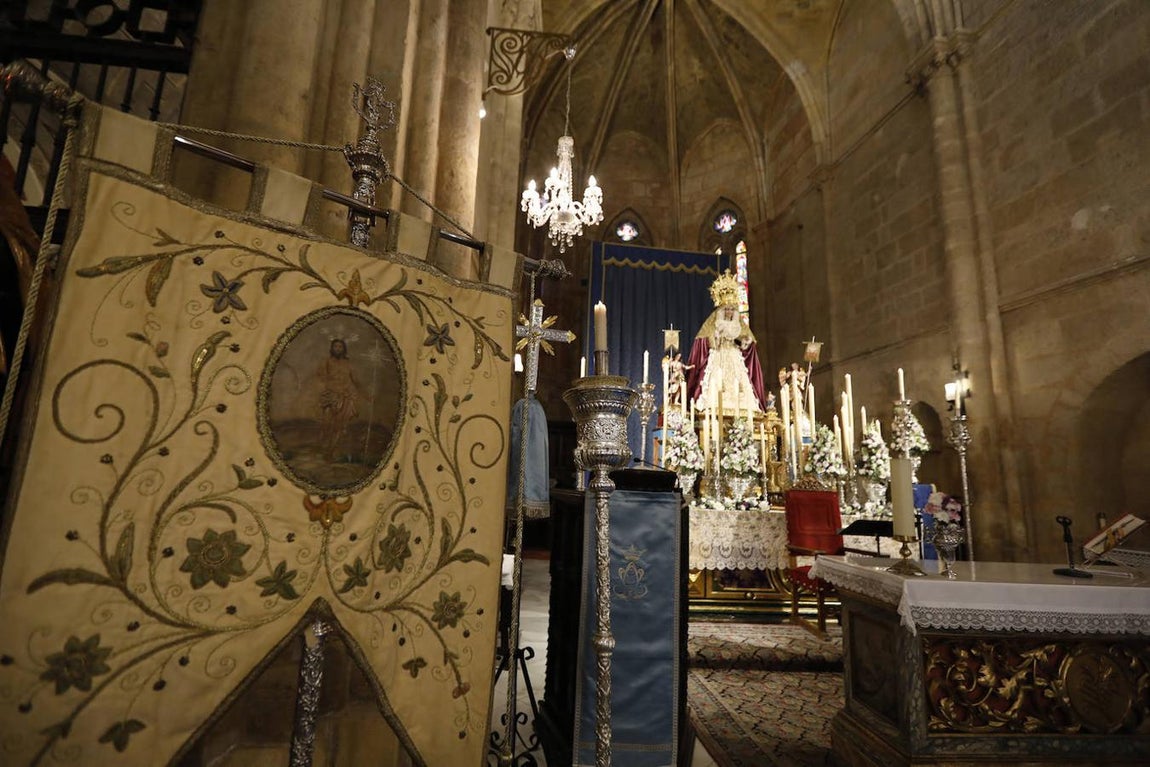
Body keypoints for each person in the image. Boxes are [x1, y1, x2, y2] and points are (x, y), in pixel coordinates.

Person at [686, 270, 767, 411]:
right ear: (722, 310)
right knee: (717, 381)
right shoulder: (714, 322)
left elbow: (747, 341)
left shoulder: (738, 324)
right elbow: (704, 341)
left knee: (740, 382)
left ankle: (743, 406)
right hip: (719, 353)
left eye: (731, 309)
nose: (729, 312)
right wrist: (716, 337)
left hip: (734, 354)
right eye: (726, 309)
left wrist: (745, 342)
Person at [317, 338, 361, 459]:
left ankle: (330, 452)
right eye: (335, 346)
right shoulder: (326, 361)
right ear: (332, 348)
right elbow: (321, 376)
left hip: (345, 397)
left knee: (339, 426)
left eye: (340, 347)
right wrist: (331, 385)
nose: (338, 348)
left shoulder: (348, 363)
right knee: (326, 423)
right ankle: (325, 445)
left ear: (344, 349)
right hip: (329, 396)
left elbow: (355, 380)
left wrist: (367, 394)